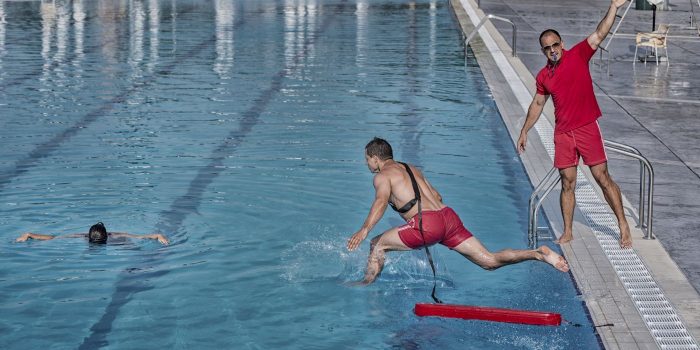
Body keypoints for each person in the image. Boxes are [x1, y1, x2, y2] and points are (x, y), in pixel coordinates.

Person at [346, 138, 569, 285]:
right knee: (489, 261)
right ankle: (538, 253)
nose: (367, 164)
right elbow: (438, 196)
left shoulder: (382, 175)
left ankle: (365, 286)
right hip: (448, 218)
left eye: (367, 160)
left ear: (375, 158)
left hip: (428, 225)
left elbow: (381, 201)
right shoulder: (411, 168)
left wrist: (364, 230)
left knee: (377, 243)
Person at [516, 0, 632, 249]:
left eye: (555, 45)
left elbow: (601, 32)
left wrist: (613, 6)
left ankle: (622, 223)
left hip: (587, 127)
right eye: (547, 48)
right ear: (543, 51)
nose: (552, 50)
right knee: (567, 182)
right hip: (564, 133)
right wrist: (525, 131)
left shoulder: (579, 54)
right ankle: (568, 231)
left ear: (562, 44)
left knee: (602, 177)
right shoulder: (543, 76)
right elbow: (537, 105)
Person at [15, 222, 169, 245]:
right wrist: (158, 235)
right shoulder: (116, 236)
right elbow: (144, 237)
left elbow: (53, 238)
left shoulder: (81, 236)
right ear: (106, 235)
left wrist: (29, 234)